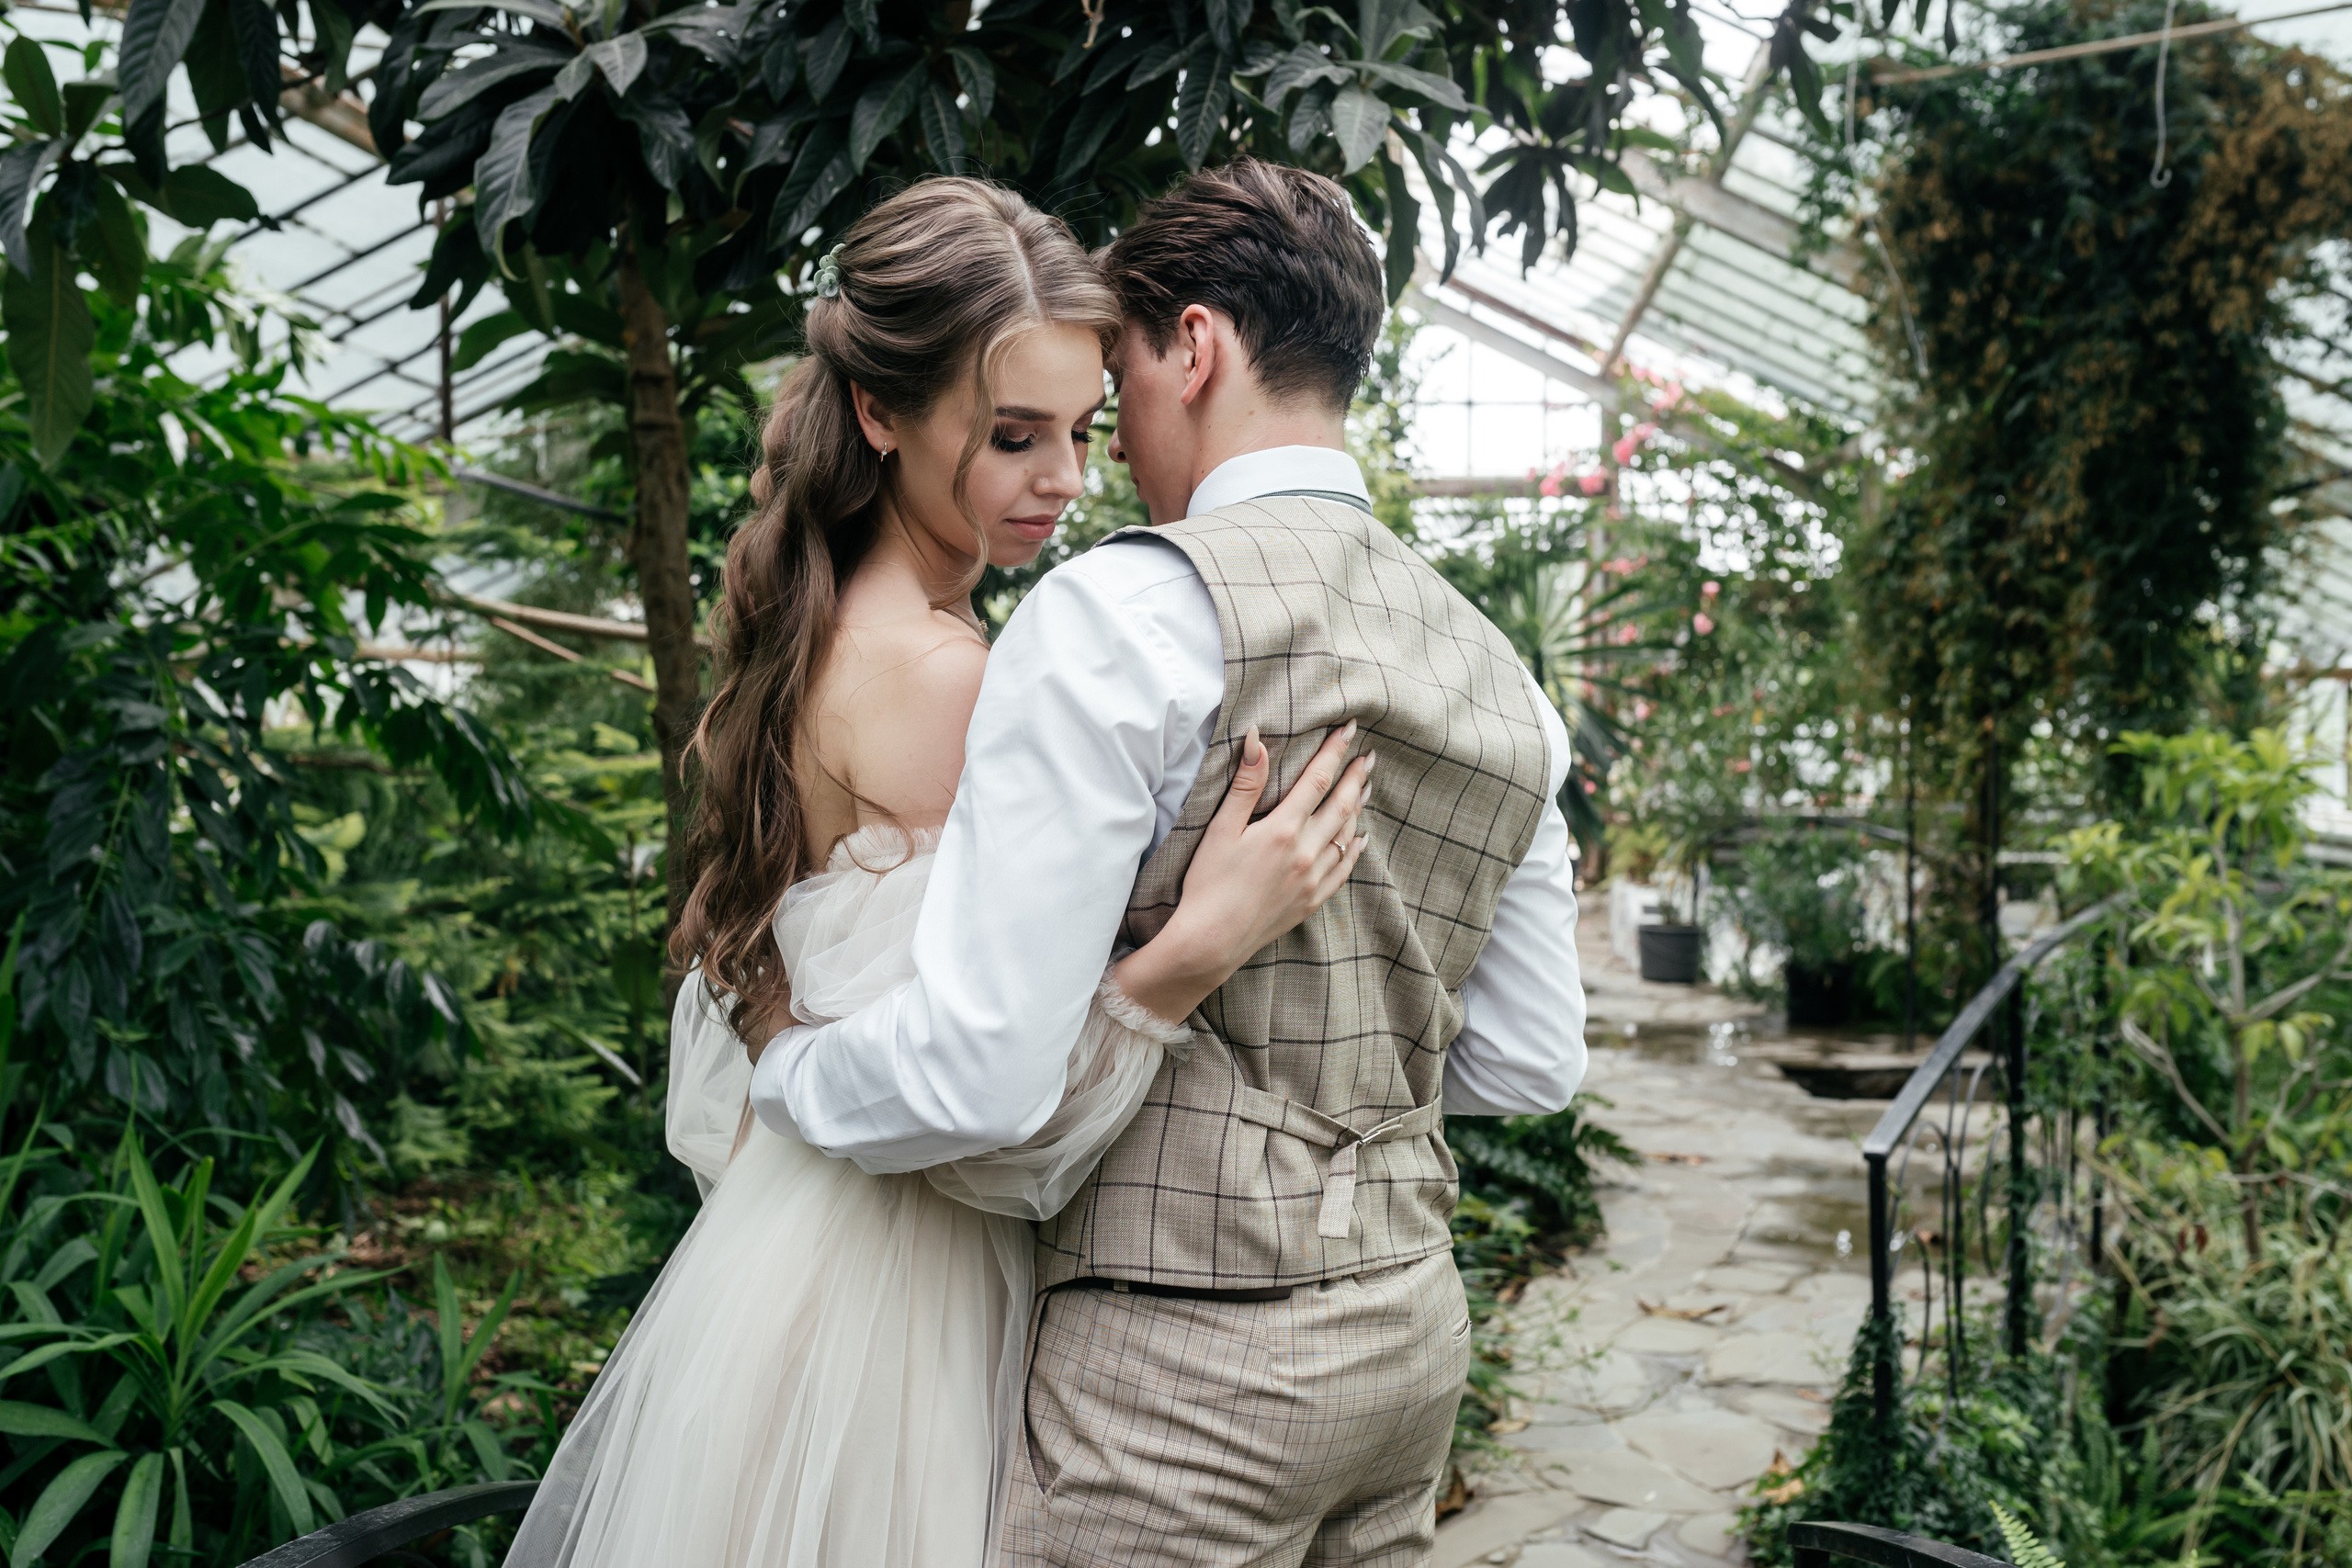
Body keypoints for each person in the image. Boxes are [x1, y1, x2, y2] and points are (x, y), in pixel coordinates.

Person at [505, 177, 1375, 1568]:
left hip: (824, 1241)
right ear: (879, 412)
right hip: (913, 1274)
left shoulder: (837, 623)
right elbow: (988, 1101)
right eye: (1015, 436)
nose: (1067, 481)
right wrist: (1199, 943)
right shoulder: (946, 675)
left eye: (1084, 430)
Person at [752, 160, 1588, 1568]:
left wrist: (778, 1070)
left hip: (1184, 1375)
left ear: (1191, 348)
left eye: (1114, 387)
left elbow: (979, 1075)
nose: (1093, 458)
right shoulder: (1502, 676)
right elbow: (1528, 1068)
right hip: (1410, 1343)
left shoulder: (1123, 617)